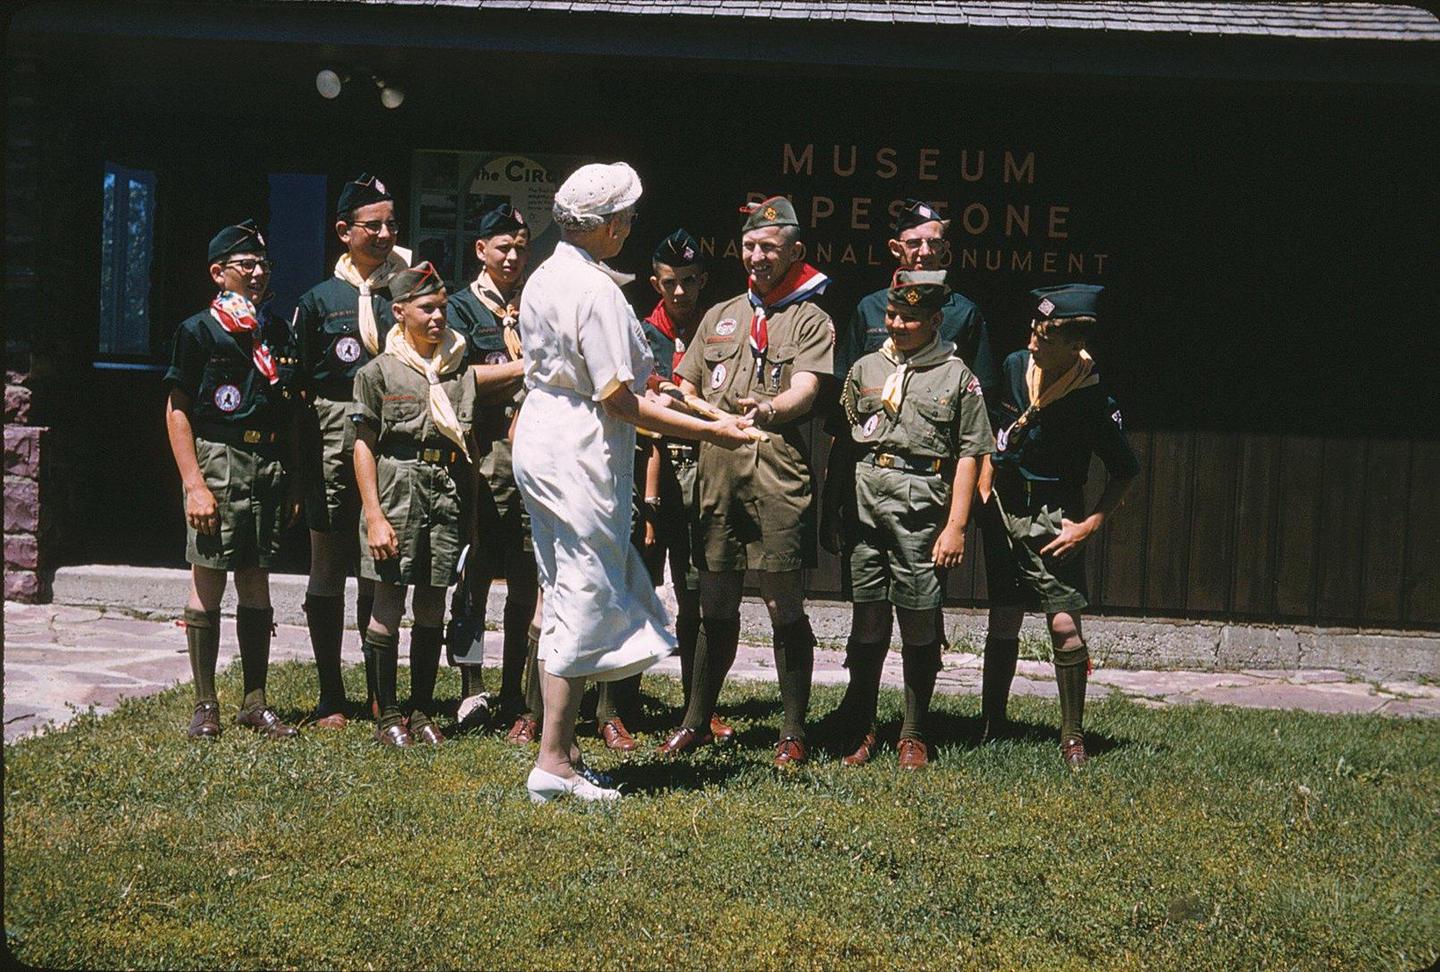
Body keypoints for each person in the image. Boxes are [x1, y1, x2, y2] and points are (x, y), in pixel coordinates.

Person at [512, 162, 751, 802]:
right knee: (583, 592)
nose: (630, 226)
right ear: (610, 224)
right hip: (578, 446)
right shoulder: (594, 290)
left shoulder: (546, 275)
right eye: (627, 216)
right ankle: (552, 763)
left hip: (544, 434)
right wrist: (711, 433)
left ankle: (559, 749)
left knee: (565, 586)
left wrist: (692, 405)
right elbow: (618, 397)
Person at [820, 198, 1001, 759]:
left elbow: (975, 434)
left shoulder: (964, 322)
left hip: (925, 498)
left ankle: (914, 731)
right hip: (868, 492)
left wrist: (959, 520)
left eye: (934, 242)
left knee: (920, 612)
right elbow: (843, 423)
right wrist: (834, 502)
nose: (898, 324)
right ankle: (862, 721)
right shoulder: (869, 322)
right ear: (897, 251)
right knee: (868, 608)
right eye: (895, 316)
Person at [666, 196, 835, 767]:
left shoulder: (810, 316)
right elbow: (687, 382)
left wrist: (768, 410)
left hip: (776, 472)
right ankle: (695, 720)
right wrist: (686, 405)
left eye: (768, 246)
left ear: (795, 251)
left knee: (782, 600)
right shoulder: (720, 314)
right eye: (749, 246)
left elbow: (808, 388)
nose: (756, 256)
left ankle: (791, 730)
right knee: (714, 600)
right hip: (717, 474)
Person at [982, 284, 1140, 767]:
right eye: (1033, 331)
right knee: (1004, 614)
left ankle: (1073, 735)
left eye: (1045, 338)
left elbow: (1125, 471)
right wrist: (984, 490)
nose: (1033, 343)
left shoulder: (1092, 396)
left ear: (1074, 347)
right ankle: (993, 721)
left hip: (1055, 516)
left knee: (1065, 624)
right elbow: (991, 430)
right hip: (1004, 507)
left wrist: (1089, 525)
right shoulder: (1014, 368)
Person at [163, 219, 301, 740]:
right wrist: (194, 484)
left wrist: (292, 481)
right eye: (247, 265)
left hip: (267, 467)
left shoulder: (276, 329)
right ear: (219, 273)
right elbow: (177, 410)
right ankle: (205, 704)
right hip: (218, 462)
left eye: (264, 265)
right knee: (208, 577)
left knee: (257, 578)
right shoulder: (200, 330)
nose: (258, 273)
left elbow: (290, 410)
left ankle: (255, 699)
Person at [294, 174, 410, 729]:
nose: (386, 233)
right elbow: (297, 388)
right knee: (328, 561)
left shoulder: (407, 292)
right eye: (374, 225)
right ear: (345, 232)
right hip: (331, 430)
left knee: (378, 560)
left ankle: (378, 691)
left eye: (392, 224)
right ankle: (330, 695)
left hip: (392, 431)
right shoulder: (319, 300)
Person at [350, 262, 476, 747]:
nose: (438, 317)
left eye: (442, 308)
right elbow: (363, 445)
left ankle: (422, 711)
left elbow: (470, 445)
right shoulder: (378, 372)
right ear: (399, 312)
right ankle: (387, 715)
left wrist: (472, 519)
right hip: (396, 487)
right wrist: (375, 516)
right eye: (427, 308)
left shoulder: (457, 367)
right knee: (387, 599)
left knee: (431, 601)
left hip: (443, 489)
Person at [626, 228, 737, 750]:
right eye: (669, 282)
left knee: (694, 593)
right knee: (640, 589)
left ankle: (698, 709)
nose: (679, 293)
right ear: (655, 282)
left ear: (703, 281)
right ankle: (621, 703)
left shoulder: (721, 332)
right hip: (651, 472)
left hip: (703, 472)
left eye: (690, 282)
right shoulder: (638, 332)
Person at [442, 203, 544, 739]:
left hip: (536, 453)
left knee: (527, 571)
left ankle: (517, 694)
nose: (512, 255)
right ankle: (470, 689)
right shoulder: (460, 309)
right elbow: (464, 378)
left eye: (521, 246)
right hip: (484, 456)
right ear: (480, 250)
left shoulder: (537, 306)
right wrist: (528, 368)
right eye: (502, 246)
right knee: (475, 571)